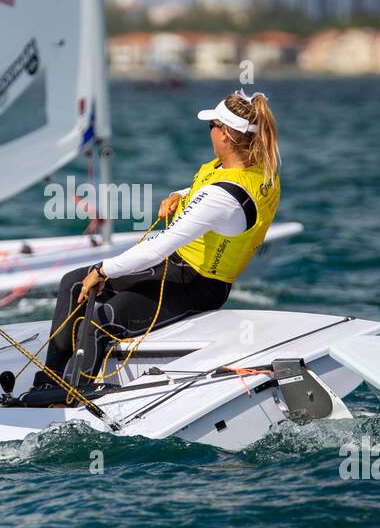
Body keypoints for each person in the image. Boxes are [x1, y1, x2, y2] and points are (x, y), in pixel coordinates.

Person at [28, 89, 282, 397]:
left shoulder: (223, 198)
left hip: (198, 285)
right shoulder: (256, 170)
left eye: (211, 126)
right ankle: (49, 383)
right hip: (175, 268)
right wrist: (182, 194)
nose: (210, 133)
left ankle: (75, 395)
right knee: (73, 282)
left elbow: (161, 245)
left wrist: (103, 270)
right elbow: (218, 190)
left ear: (226, 135)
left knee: (102, 319)